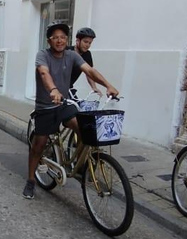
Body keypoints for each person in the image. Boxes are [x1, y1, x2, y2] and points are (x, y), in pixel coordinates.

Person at [24, 22, 120, 199]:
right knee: (38, 146)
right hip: (46, 106)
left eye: (62, 37)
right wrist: (53, 90)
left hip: (63, 104)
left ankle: (80, 164)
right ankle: (31, 180)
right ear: (49, 40)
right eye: (55, 38)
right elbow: (44, 73)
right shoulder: (42, 55)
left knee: (84, 127)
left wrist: (108, 85)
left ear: (66, 39)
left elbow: (89, 71)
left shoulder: (72, 55)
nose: (59, 41)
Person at [71, 27, 101, 95]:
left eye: (90, 43)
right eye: (85, 42)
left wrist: (94, 88)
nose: (87, 45)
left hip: (69, 88)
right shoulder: (67, 51)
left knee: (77, 105)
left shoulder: (87, 54)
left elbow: (89, 73)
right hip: (56, 88)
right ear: (78, 40)